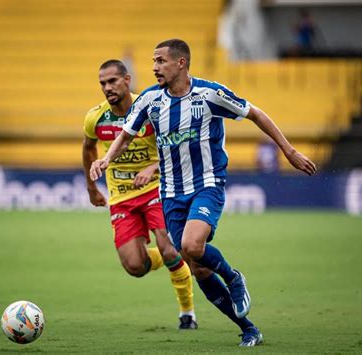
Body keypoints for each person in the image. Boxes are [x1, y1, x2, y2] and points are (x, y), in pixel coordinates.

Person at [90, 39, 317, 347]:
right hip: (171, 193)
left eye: (160, 61)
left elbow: (256, 114)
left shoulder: (209, 94)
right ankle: (248, 328)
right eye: (153, 61)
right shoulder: (149, 100)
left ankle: (234, 277)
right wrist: (105, 159)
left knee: (191, 245)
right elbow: (125, 136)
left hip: (206, 184)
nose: (154, 67)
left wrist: (288, 151)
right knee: (197, 267)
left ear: (181, 63)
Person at [82, 59, 197, 329]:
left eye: (112, 81)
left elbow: (178, 145)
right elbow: (88, 149)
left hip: (158, 188)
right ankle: (172, 256)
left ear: (127, 80)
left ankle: (187, 313)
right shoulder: (95, 118)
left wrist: (154, 166)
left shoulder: (150, 108)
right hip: (122, 196)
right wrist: (92, 188)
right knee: (135, 266)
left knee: (169, 247)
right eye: (102, 83)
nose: (107, 87)